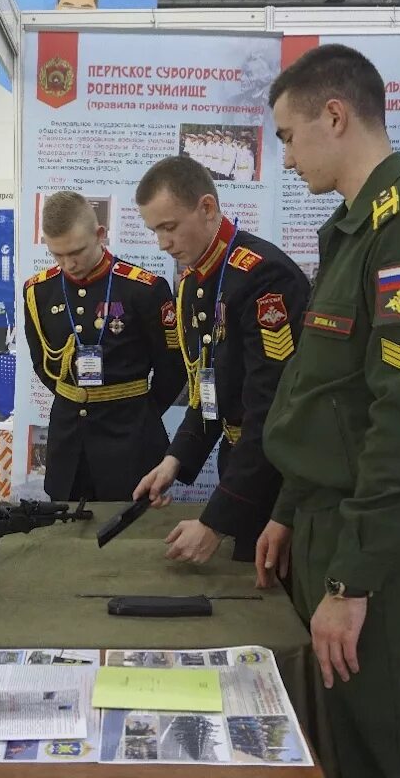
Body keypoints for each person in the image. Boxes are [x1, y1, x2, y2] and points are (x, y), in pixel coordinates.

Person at [256, 44, 400, 778]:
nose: (287, 160)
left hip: (370, 539)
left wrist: (352, 582)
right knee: (338, 739)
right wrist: (289, 507)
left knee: (386, 742)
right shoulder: (356, 229)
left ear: (336, 114)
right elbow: (327, 394)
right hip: (326, 520)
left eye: (288, 137)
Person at [133, 156, 310, 564]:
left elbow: (271, 411)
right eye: (154, 230)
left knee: (271, 613)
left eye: (169, 227)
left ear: (207, 208)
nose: (162, 243)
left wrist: (215, 522)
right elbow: (209, 389)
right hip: (244, 469)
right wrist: (174, 460)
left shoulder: (263, 277)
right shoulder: (195, 281)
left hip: (279, 483)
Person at [23, 190, 185, 501]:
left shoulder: (144, 289)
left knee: (131, 539)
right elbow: (43, 364)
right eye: (57, 254)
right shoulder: (39, 292)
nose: (68, 264)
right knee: (67, 533)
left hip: (130, 439)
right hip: (68, 442)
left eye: (77, 251)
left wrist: (140, 414)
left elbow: (172, 369)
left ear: (100, 235)